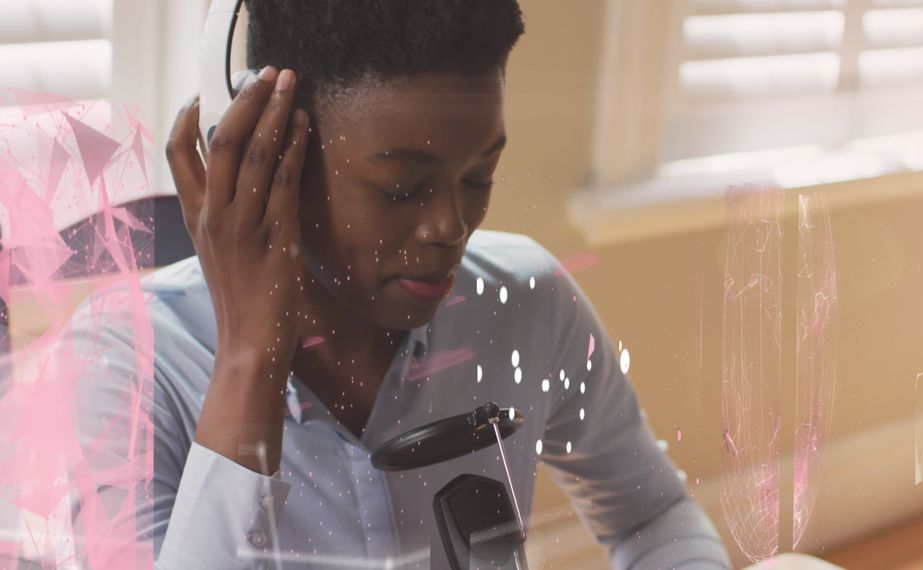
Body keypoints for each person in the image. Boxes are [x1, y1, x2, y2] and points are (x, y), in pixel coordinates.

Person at [65, 1, 732, 568]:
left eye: (478, 177)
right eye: (401, 188)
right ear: (260, 157)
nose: (451, 225)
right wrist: (249, 357)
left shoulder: (530, 301)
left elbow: (652, 514)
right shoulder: (124, 366)